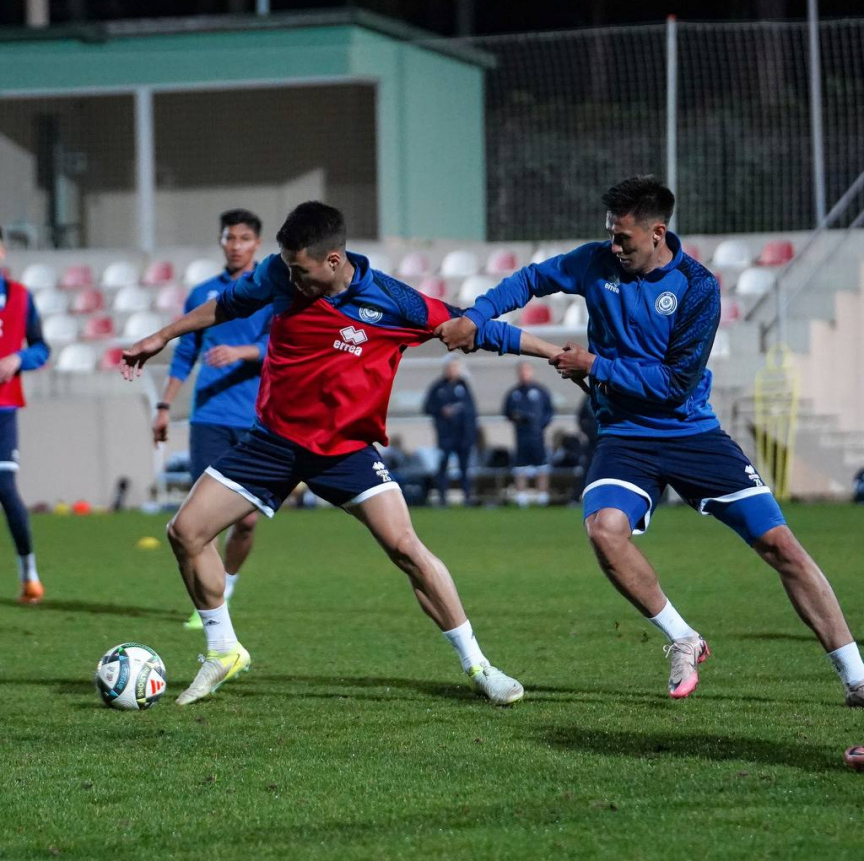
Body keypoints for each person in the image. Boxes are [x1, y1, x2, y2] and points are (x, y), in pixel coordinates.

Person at [438, 175, 864, 706]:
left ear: (657, 232)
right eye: (610, 235)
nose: (614, 247)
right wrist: (476, 316)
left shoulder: (697, 287)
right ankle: (683, 637)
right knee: (604, 530)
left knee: (781, 546)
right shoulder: (595, 262)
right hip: (625, 436)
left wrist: (594, 365)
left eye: (624, 238)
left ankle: (856, 676)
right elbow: (528, 280)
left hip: (691, 432)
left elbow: (674, 384)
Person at [122, 201, 559, 707]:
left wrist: (553, 353)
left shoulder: (394, 301)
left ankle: (480, 666)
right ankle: (223, 650)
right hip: (273, 442)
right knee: (185, 531)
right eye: (287, 268)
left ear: (333, 260)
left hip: (344, 451)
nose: (291, 278)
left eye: (300, 270)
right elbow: (229, 305)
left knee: (407, 549)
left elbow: (476, 329)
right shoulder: (278, 274)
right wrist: (161, 336)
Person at [153, 209, 271, 628]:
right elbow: (185, 353)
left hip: (257, 418)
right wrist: (164, 406)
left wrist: (241, 352)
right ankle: (211, 604)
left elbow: (282, 345)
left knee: (248, 521)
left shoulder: (271, 291)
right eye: (229, 238)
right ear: (221, 242)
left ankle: (227, 584)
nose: (235, 246)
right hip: (209, 418)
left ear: (257, 244)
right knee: (205, 519)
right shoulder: (203, 293)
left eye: (244, 238)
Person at [0, 228, 50, 603]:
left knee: (5, 487)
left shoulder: (20, 296)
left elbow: (42, 348)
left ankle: (28, 573)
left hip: (4, 407)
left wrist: (18, 359)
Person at [423, 358, 477, 506]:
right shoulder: (438, 387)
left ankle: (467, 497)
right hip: (445, 435)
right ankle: (442, 498)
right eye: (450, 368)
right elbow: (427, 407)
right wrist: (441, 411)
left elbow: (471, 410)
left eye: (455, 368)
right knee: (443, 466)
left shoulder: (464, 386)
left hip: (463, 436)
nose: (452, 371)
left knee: (464, 467)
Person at [502, 361, 554, 507]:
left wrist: (540, 424)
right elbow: (506, 411)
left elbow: (549, 411)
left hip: (537, 436)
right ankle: (521, 497)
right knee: (520, 466)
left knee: (542, 465)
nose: (524, 374)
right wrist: (516, 417)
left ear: (531, 372)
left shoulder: (540, 391)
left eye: (526, 371)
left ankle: (543, 496)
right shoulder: (514, 393)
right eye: (521, 371)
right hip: (521, 436)